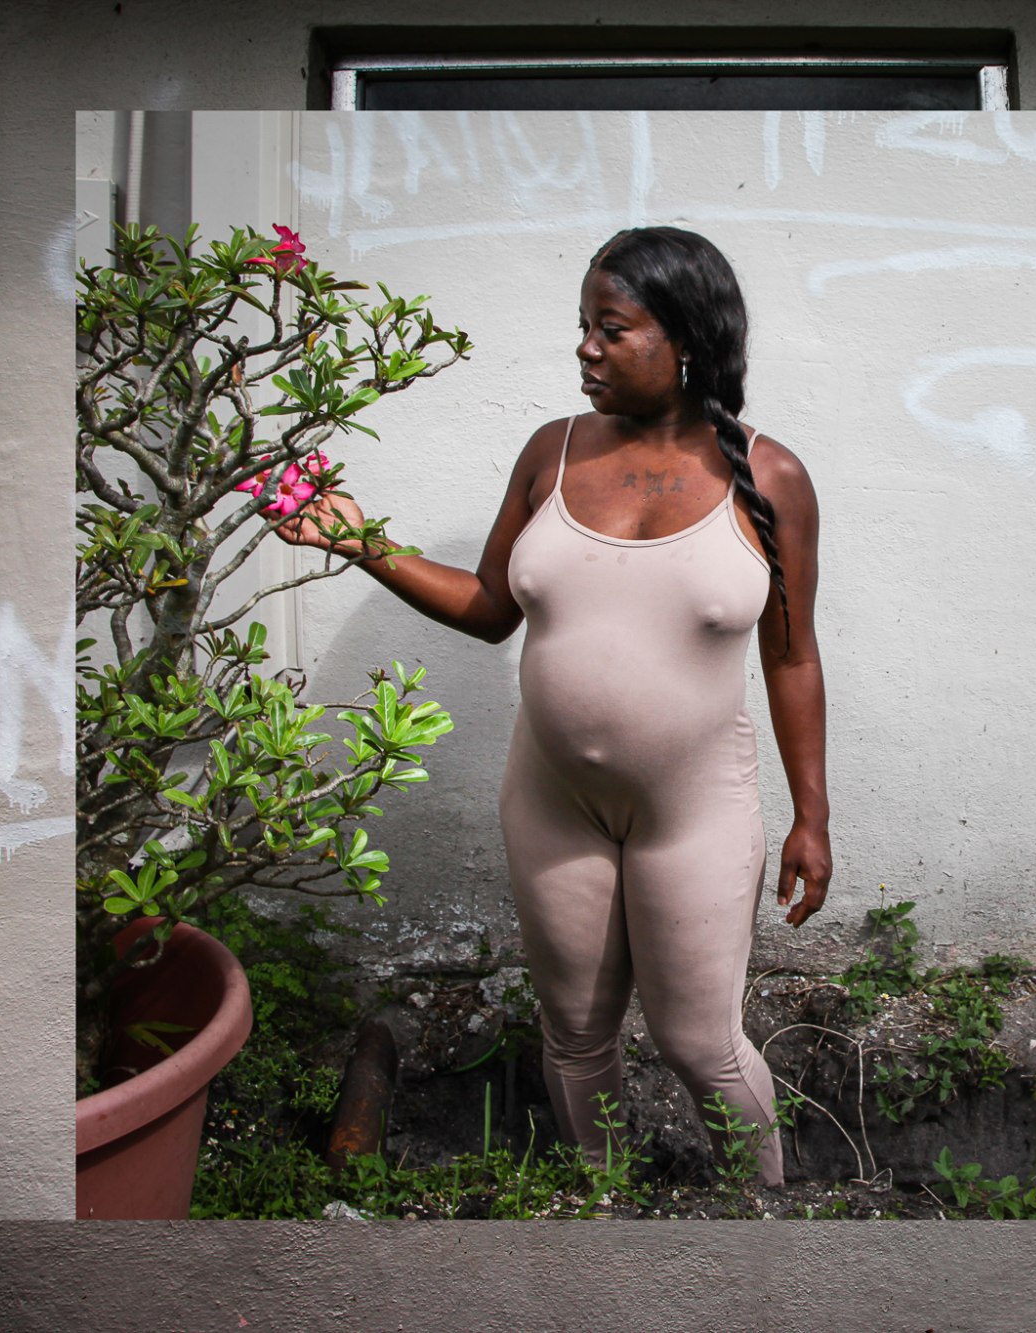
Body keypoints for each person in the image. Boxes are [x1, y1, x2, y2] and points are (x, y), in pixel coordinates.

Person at [273, 226, 830, 1187]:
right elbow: (490, 608)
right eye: (583, 326)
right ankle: (601, 1213)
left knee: (699, 1043)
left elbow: (792, 655)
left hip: (694, 807)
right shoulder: (551, 453)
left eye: (611, 329)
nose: (585, 348)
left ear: (685, 339)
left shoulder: (770, 479)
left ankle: (762, 1222)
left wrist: (810, 816)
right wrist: (359, 542)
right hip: (552, 802)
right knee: (574, 1033)